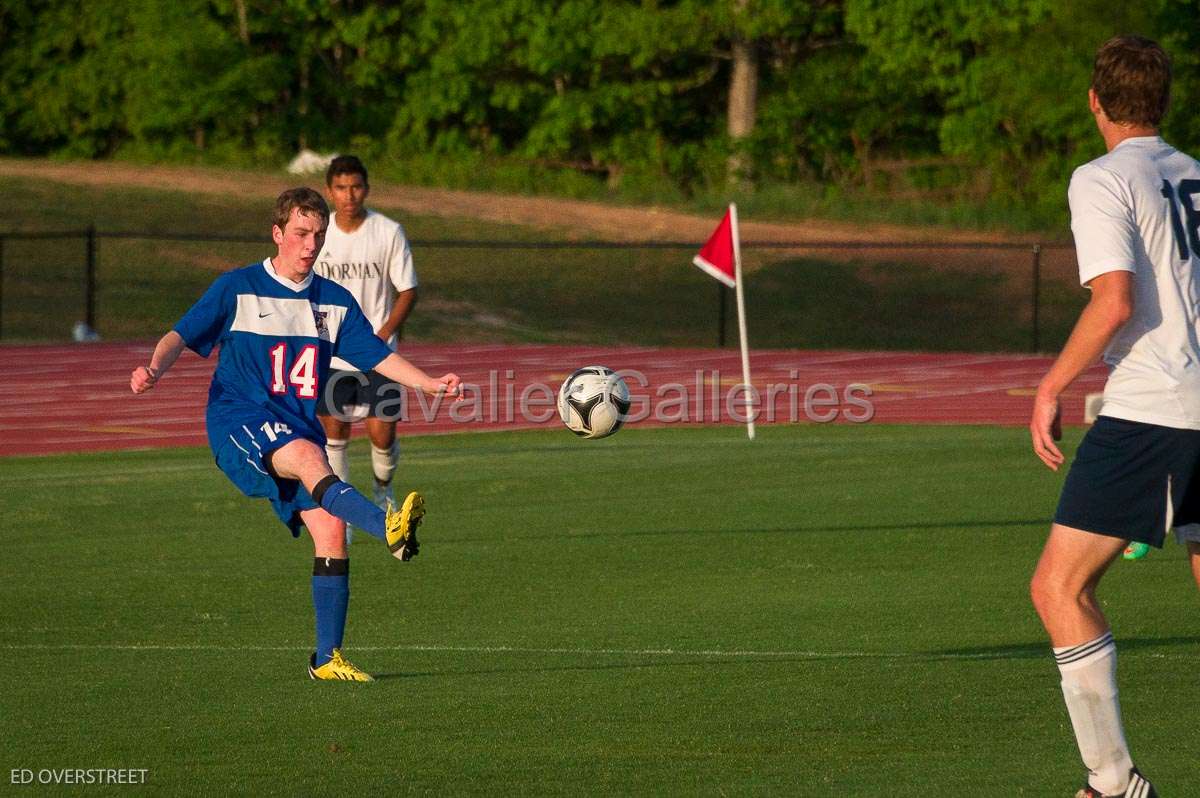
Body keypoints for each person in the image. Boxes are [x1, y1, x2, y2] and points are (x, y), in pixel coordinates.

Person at [130, 187, 461, 683]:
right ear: (278, 233)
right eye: (302, 234)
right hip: (239, 420)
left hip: (295, 427)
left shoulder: (332, 300)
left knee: (330, 534)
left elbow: (376, 355)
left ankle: (327, 658)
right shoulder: (236, 288)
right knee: (311, 457)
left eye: (319, 236)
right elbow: (180, 333)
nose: (311, 245)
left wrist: (430, 382)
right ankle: (385, 524)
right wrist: (155, 367)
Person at [1029, 35, 1200, 798]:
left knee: (1058, 589)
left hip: (1157, 408)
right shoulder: (1195, 174)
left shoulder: (1102, 179)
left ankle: (1112, 780)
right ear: (1164, 102)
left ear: (1095, 101)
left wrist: (1050, 386)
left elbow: (1115, 300)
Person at [313, 155, 417, 545]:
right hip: (332, 353)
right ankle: (343, 513)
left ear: (366, 189)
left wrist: (384, 332)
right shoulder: (318, 235)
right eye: (341, 187)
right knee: (334, 432)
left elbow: (408, 290)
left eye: (355, 186)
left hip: (378, 353)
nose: (349, 195)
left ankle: (382, 488)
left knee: (381, 433)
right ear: (329, 191)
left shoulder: (388, 231)